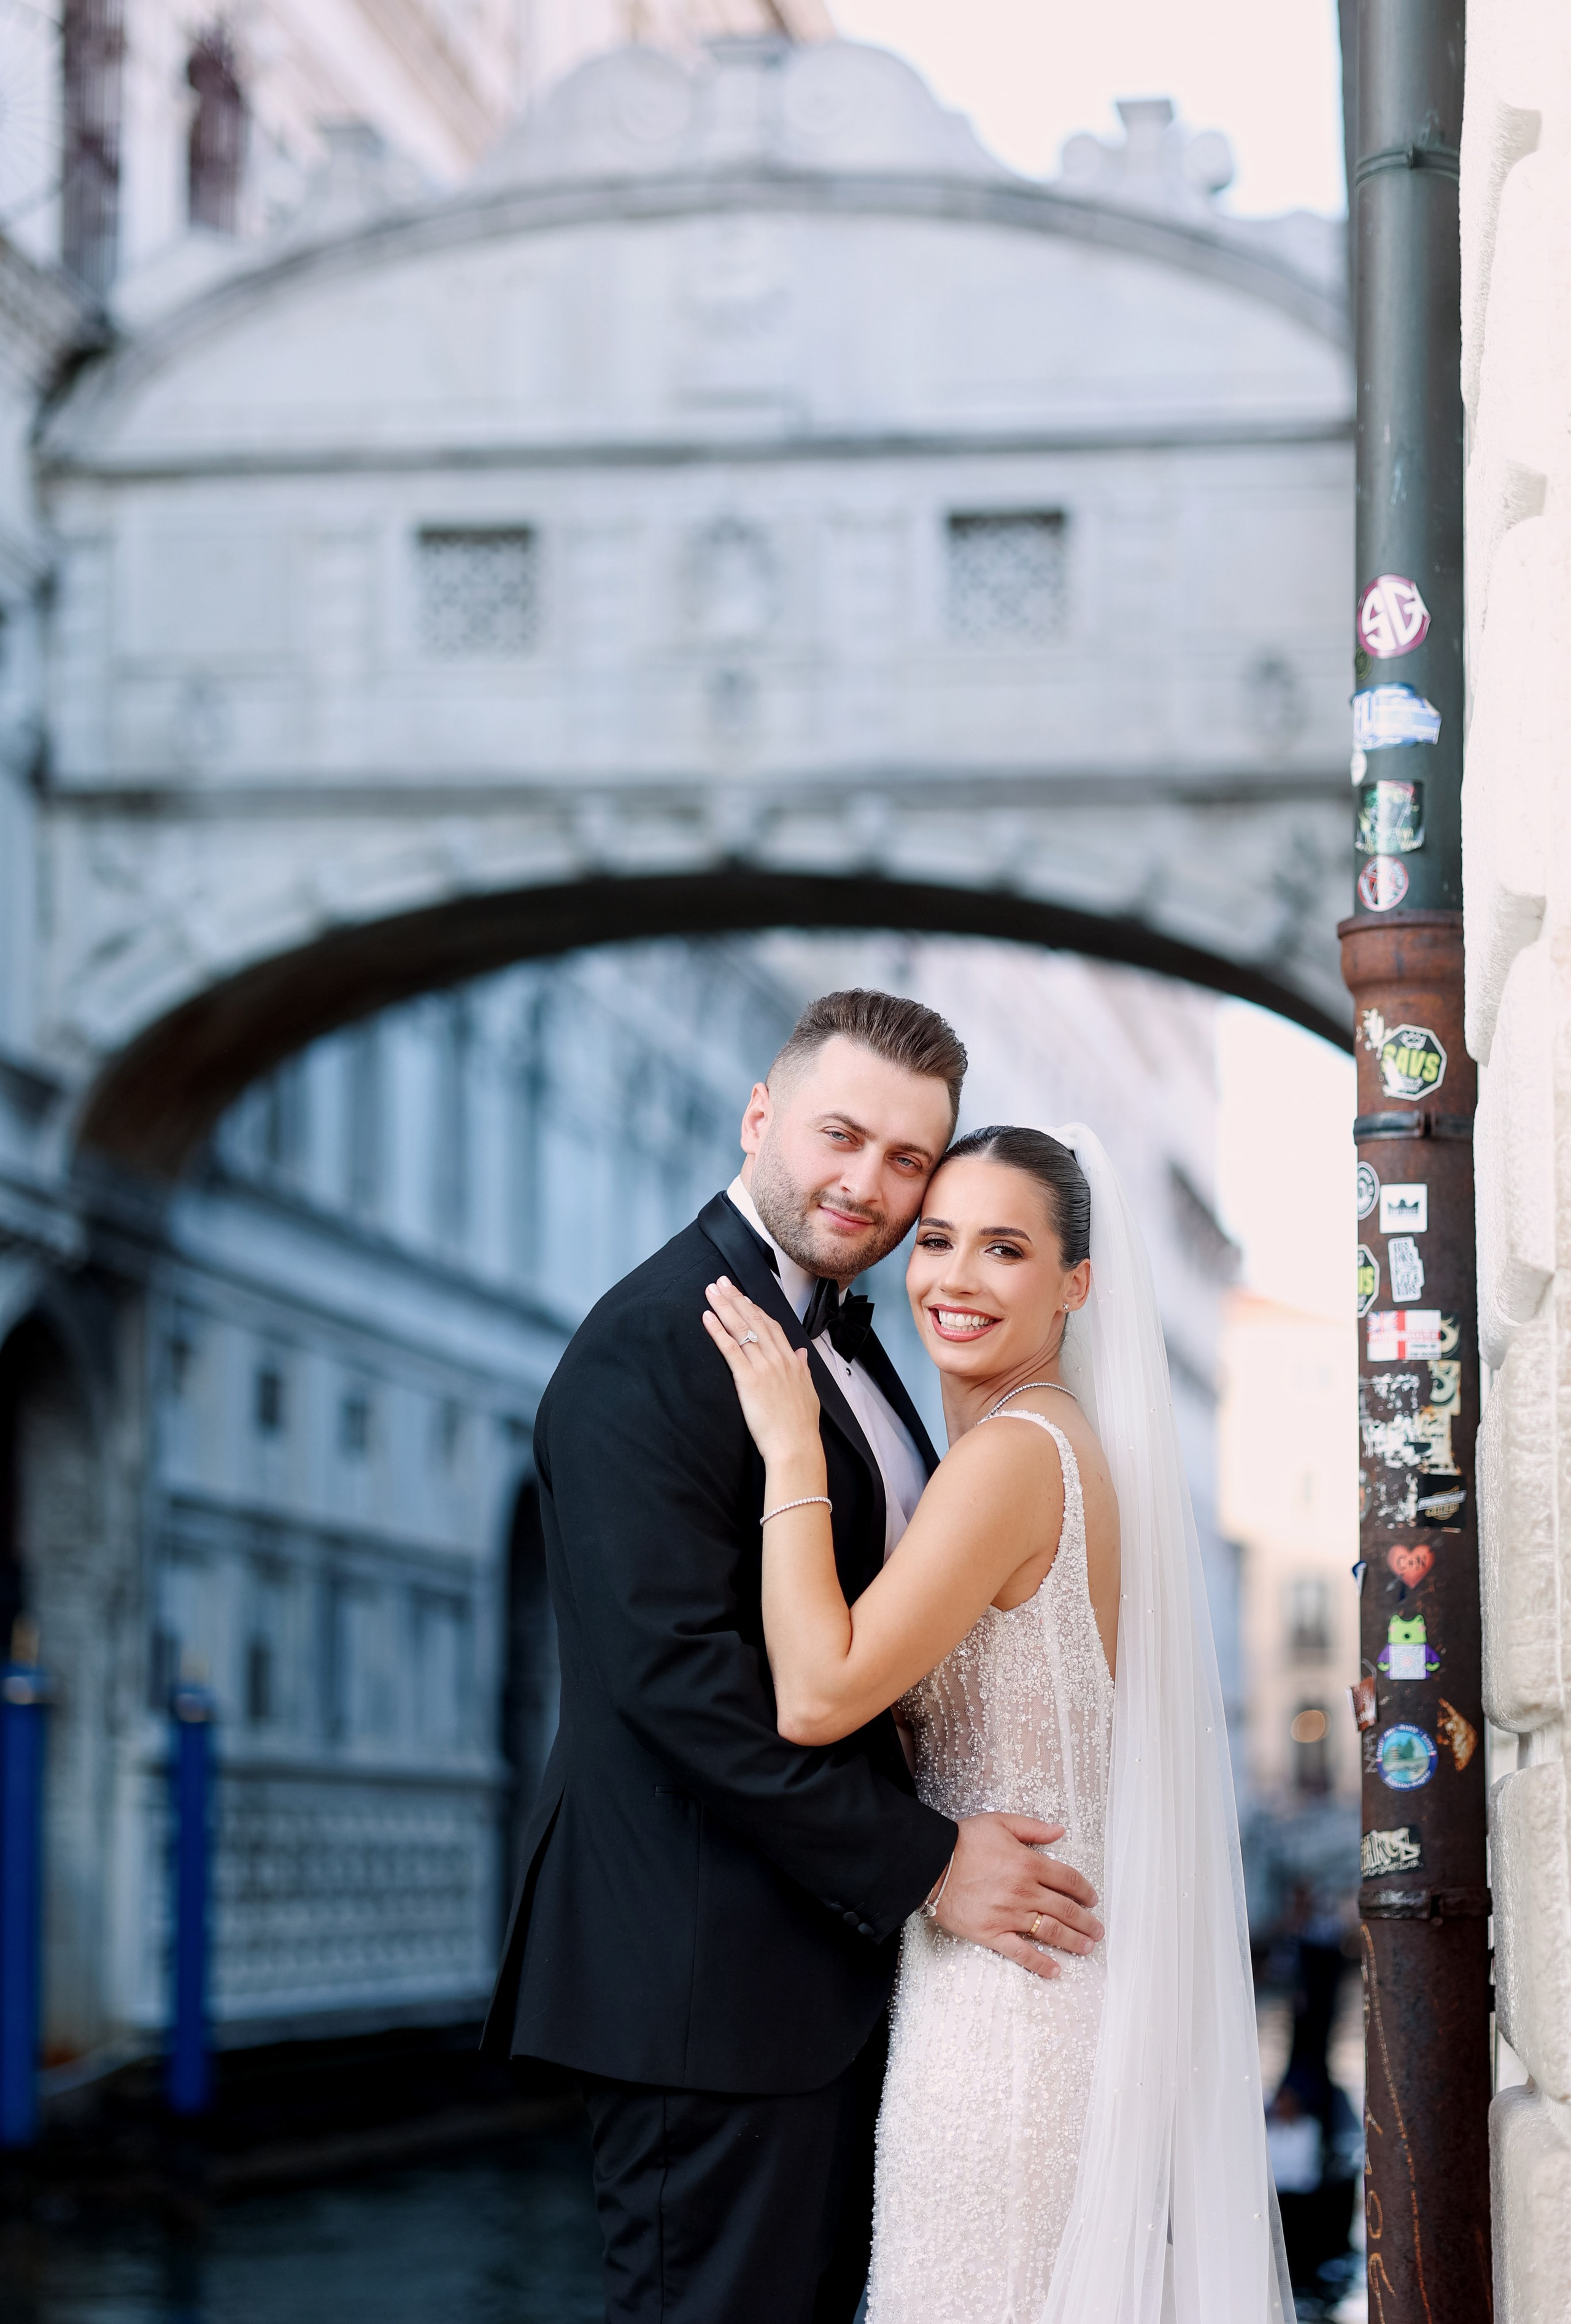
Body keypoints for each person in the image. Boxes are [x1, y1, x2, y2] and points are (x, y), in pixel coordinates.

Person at [481, 993, 1104, 2324]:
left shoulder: (863, 1343)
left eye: (904, 1161)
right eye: (839, 1136)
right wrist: (926, 1862)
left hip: (836, 1981)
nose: (865, 1184)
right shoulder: (650, 1347)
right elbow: (681, 1691)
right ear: (760, 1118)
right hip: (699, 1986)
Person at [704, 1123, 1292, 2323]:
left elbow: (820, 1692)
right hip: (1037, 1982)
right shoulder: (1067, 1451)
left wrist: (785, 1449)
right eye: (934, 1241)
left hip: (1003, 2013)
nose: (953, 1279)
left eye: (1004, 1249)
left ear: (1075, 1283)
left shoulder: (1012, 1459)